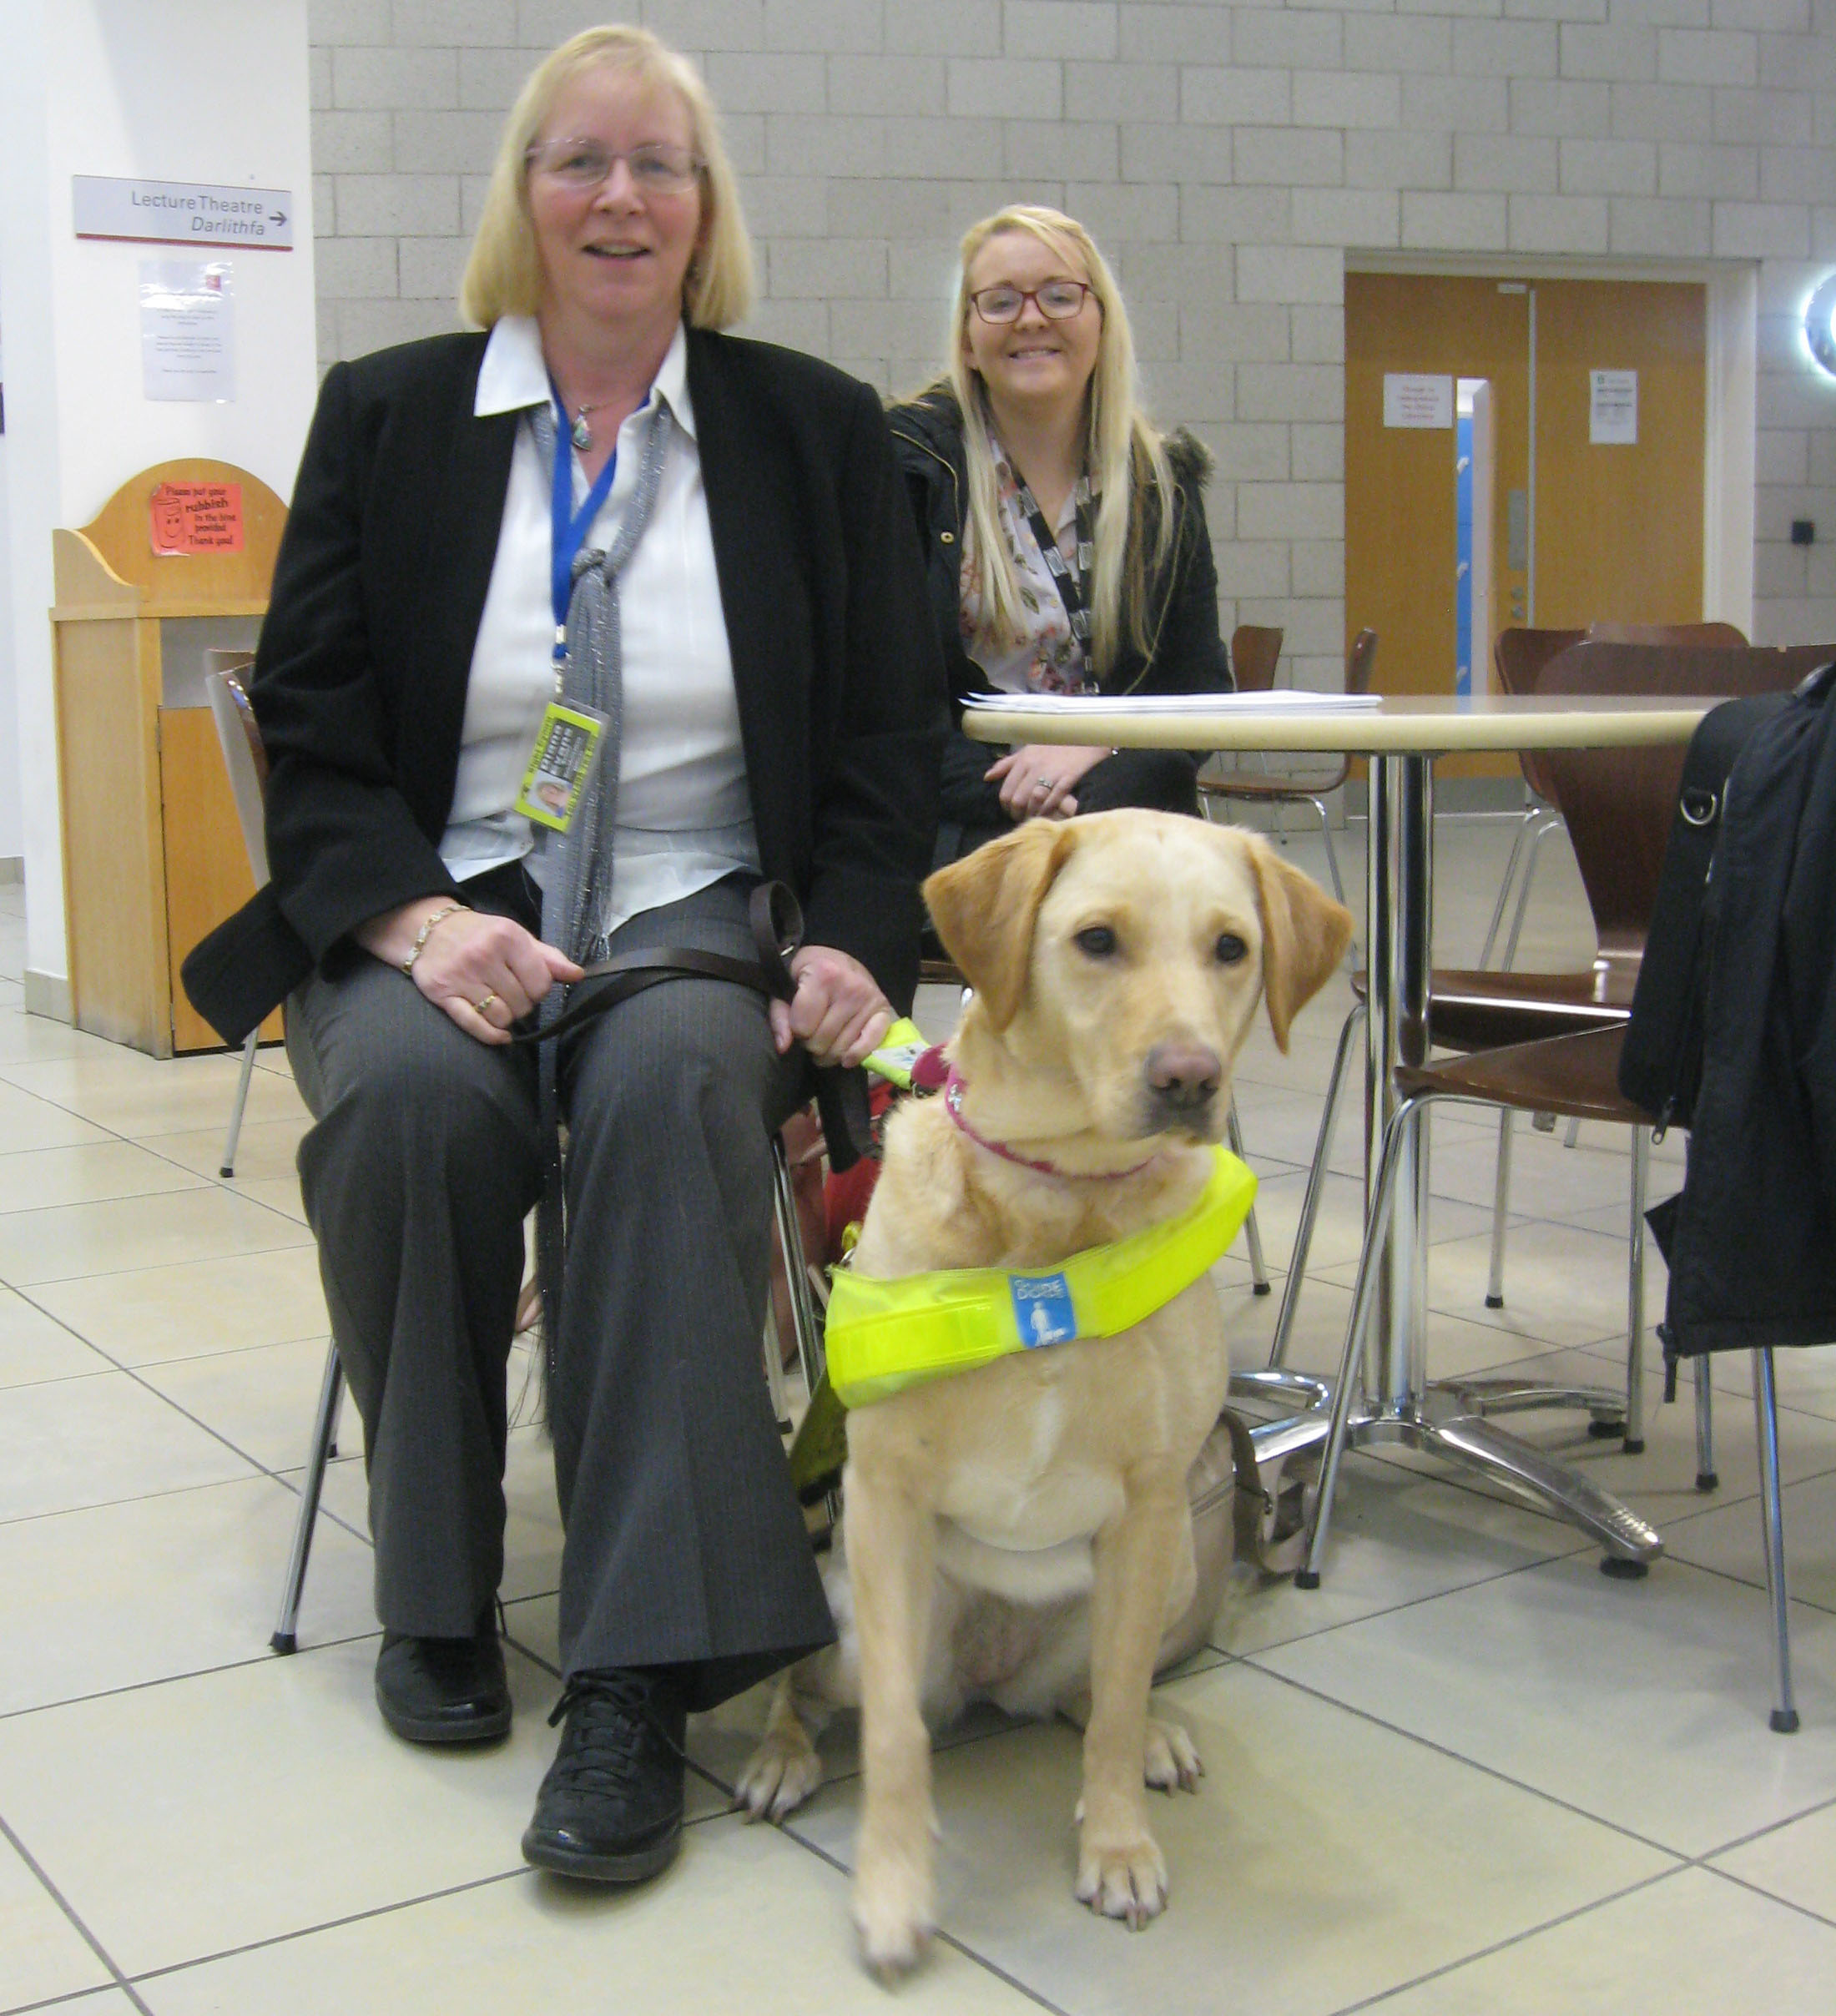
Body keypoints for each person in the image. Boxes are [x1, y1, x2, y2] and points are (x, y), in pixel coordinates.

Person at [182, 24, 943, 1887]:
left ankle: (636, 1665)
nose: (619, 197)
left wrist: (848, 935)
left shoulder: (812, 427)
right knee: (416, 1111)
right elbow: (318, 715)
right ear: (521, 198)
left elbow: (883, 738)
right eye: (578, 161)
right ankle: (434, 1589)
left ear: (705, 213)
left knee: (679, 1083)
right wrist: (418, 921)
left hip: (692, 899)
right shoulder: (386, 410)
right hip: (432, 891)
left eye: (658, 166)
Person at [888, 205, 1231, 867]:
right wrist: (1015, 784)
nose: (1032, 318)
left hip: (1111, 794)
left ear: (1102, 322)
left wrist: (1101, 744)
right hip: (953, 813)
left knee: (1153, 783)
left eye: (1059, 295)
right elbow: (886, 701)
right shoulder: (908, 469)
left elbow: (1199, 689)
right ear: (966, 338)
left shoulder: (1163, 485)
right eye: (999, 302)